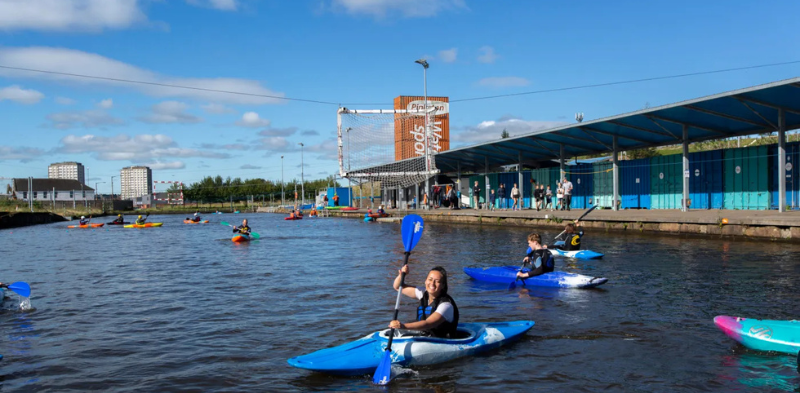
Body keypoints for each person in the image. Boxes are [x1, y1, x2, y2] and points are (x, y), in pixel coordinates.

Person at [389, 265, 460, 339]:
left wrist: (403, 326)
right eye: (430, 279)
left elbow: (428, 323)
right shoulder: (422, 293)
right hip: (425, 335)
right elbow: (397, 287)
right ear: (425, 281)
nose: (432, 283)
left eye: (437, 281)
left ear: (442, 285)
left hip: (442, 340)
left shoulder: (446, 305)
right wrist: (402, 275)